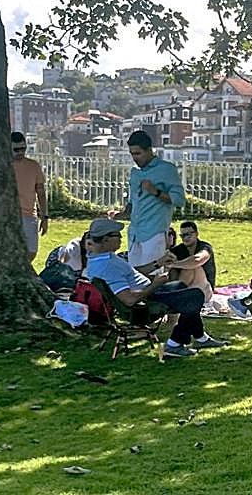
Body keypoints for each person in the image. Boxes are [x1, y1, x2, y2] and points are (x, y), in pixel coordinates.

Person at [84, 217, 227, 358]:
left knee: (182, 287)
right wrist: (155, 284)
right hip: (145, 302)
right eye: (116, 235)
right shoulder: (108, 266)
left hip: (149, 293)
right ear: (105, 240)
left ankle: (201, 338)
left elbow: (132, 273)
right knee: (195, 296)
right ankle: (174, 344)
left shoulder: (101, 258)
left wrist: (157, 264)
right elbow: (129, 300)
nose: (121, 237)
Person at [120, 131, 185, 273]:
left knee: (153, 275)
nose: (135, 158)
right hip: (134, 233)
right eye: (132, 154)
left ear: (149, 150)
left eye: (138, 153)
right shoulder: (135, 172)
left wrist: (156, 192)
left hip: (154, 232)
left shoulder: (166, 169)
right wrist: (122, 213)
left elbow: (179, 200)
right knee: (134, 275)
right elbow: (133, 200)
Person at [11, 131, 48, 264]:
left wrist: (44, 217)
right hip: (9, 216)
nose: (20, 152)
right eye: (16, 149)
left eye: (23, 148)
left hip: (29, 215)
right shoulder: (4, 166)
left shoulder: (33, 166)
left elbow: (41, 193)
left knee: (32, 251)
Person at [166, 220, 216, 300]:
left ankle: (174, 297)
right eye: (182, 235)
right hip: (185, 287)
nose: (185, 238)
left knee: (193, 267)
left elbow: (197, 260)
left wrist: (174, 264)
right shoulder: (178, 250)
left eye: (188, 235)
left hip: (203, 290)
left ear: (196, 234)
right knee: (172, 270)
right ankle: (174, 297)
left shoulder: (204, 247)